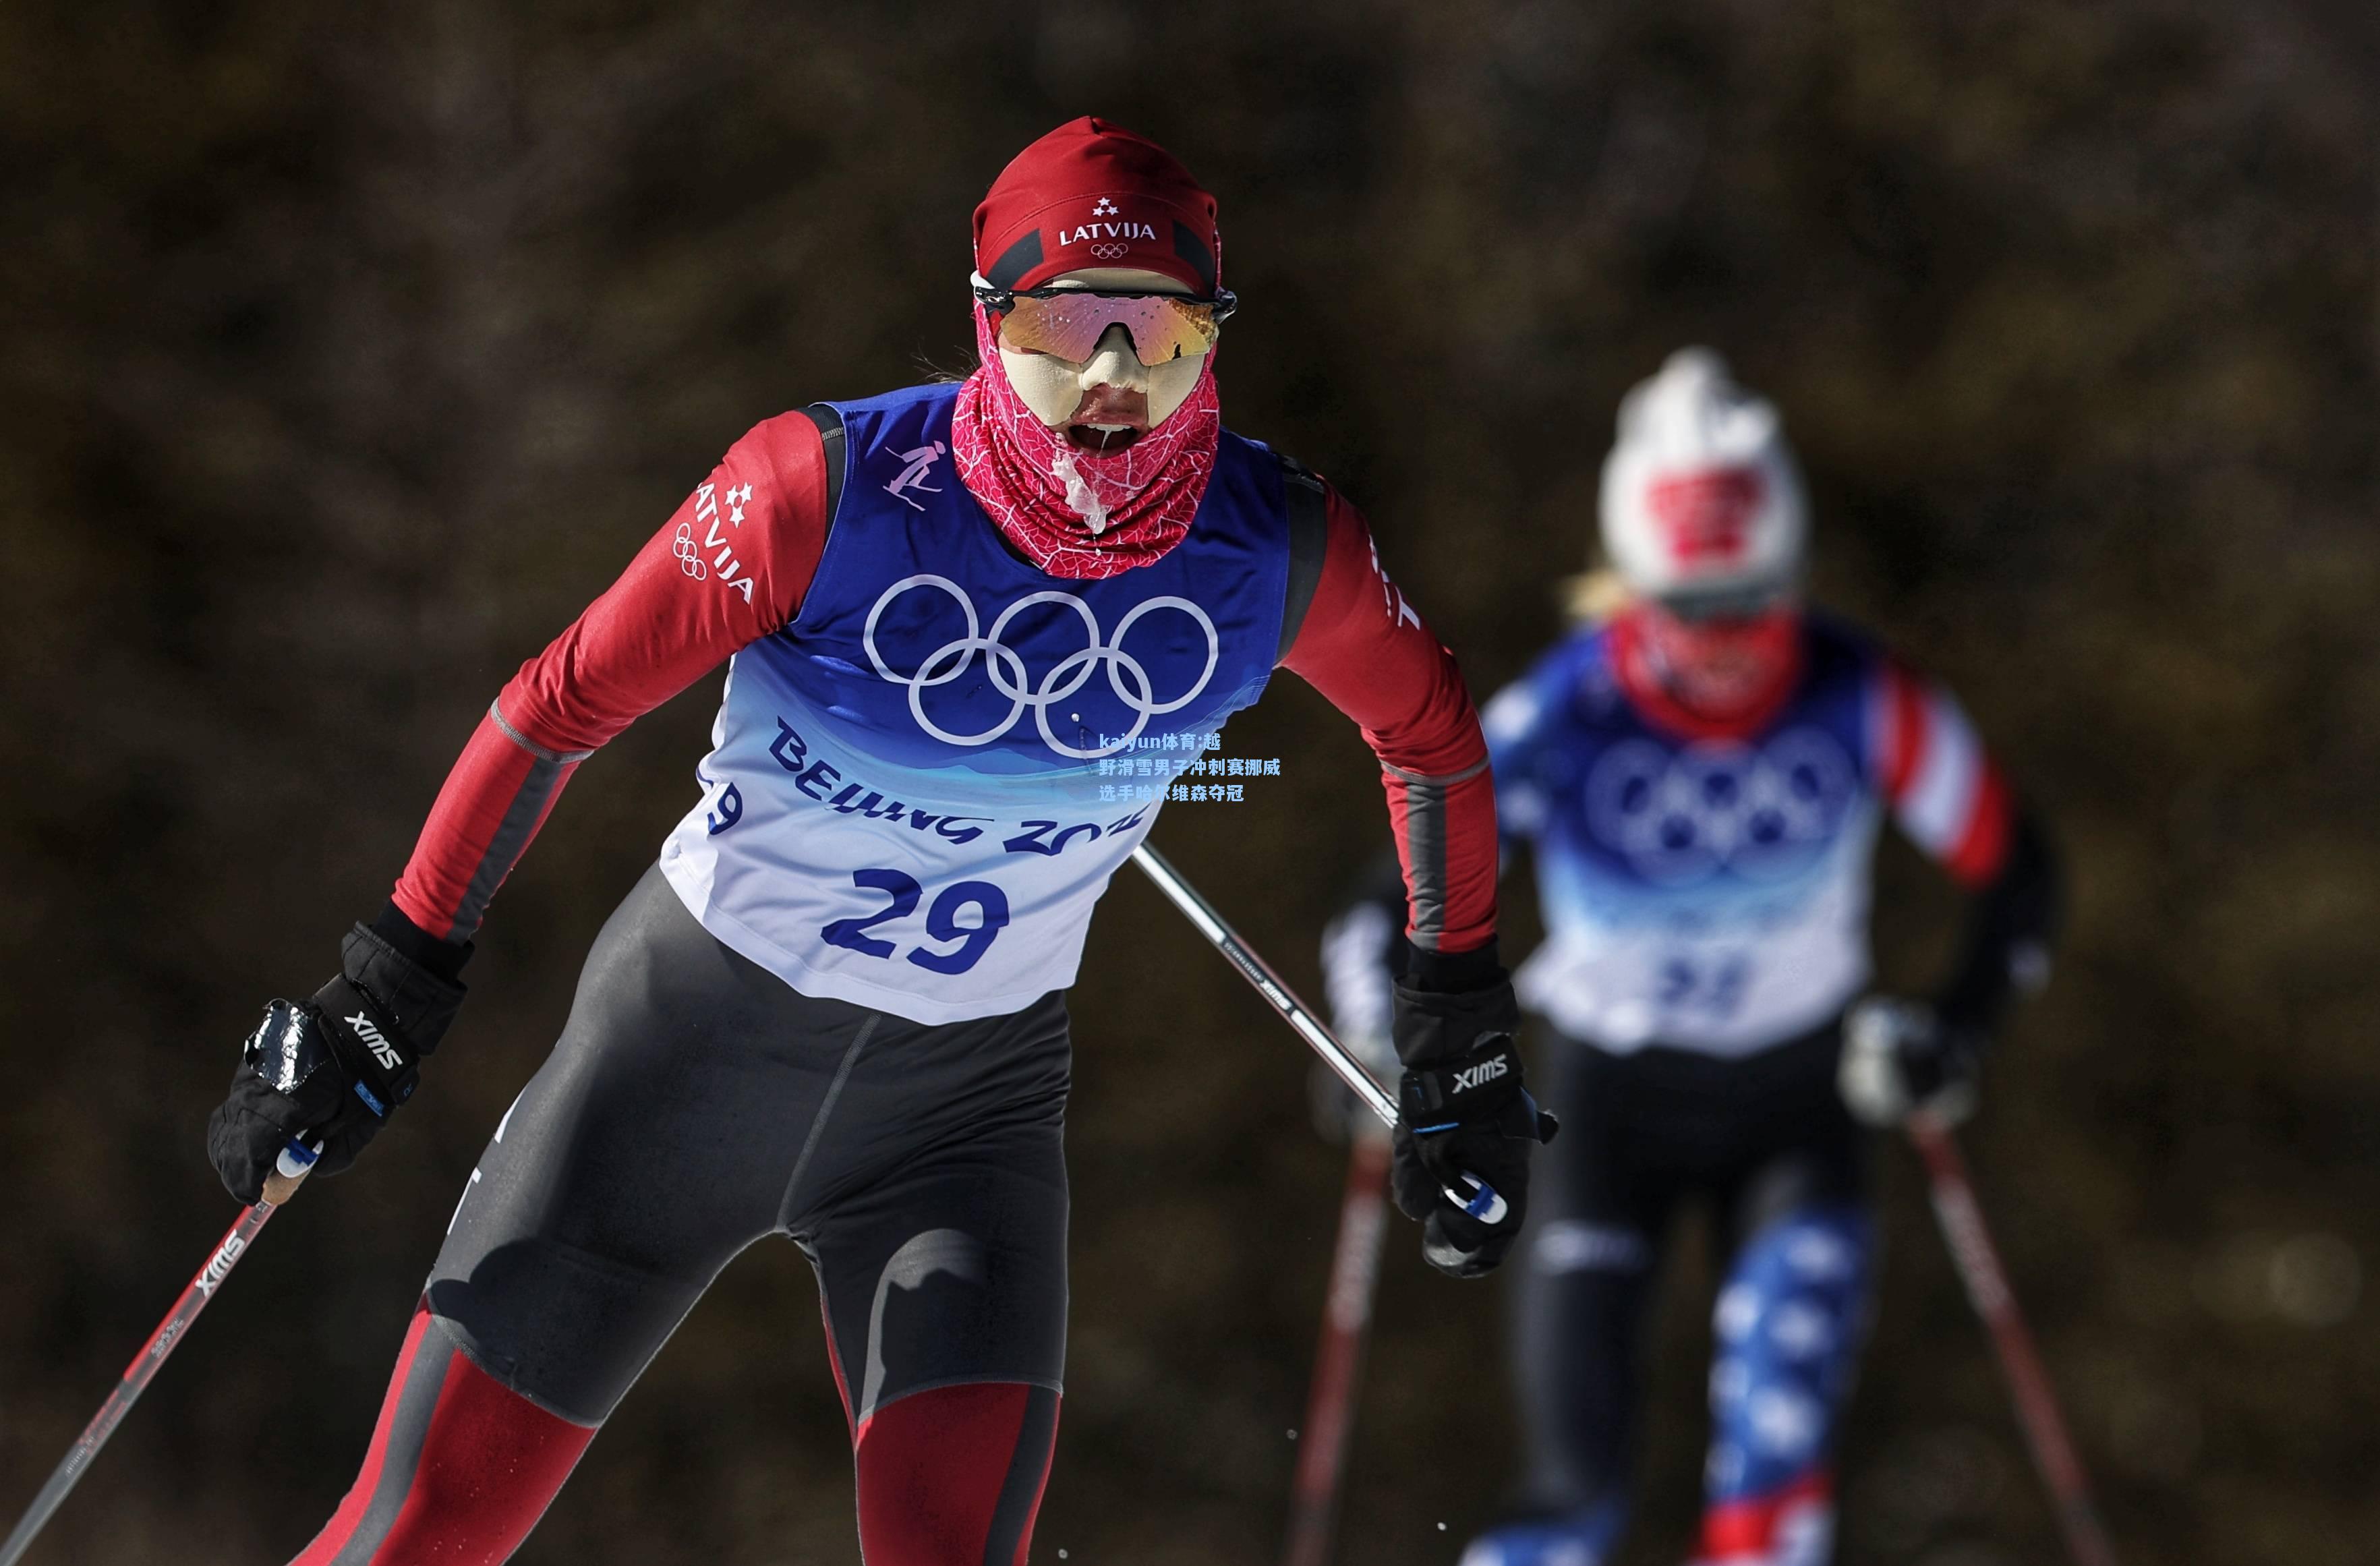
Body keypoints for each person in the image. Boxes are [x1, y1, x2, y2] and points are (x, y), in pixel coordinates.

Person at [203, 118, 1553, 1566]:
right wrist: (389, 985)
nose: (1108, 381)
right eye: (1061, 328)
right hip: (674, 1074)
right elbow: (555, 708)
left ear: (1212, 343)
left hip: (961, 1125)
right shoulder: (821, 491)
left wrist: (1455, 1022)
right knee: (411, 1545)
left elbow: (1432, 737)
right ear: (988, 325)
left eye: (1155, 334)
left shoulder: (1273, 548)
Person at [1318, 349, 2060, 1566]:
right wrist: (1371, 1036)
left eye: (1753, 606)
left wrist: (1954, 1028)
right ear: (1627, 588)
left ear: (1793, 575)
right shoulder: (1565, 713)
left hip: (1796, 1113)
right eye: (1688, 612)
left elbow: (2018, 868)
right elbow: (1383, 893)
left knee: (1769, 1501)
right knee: (1572, 1493)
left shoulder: (1860, 696)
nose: (1724, 649)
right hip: (1602, 1113)